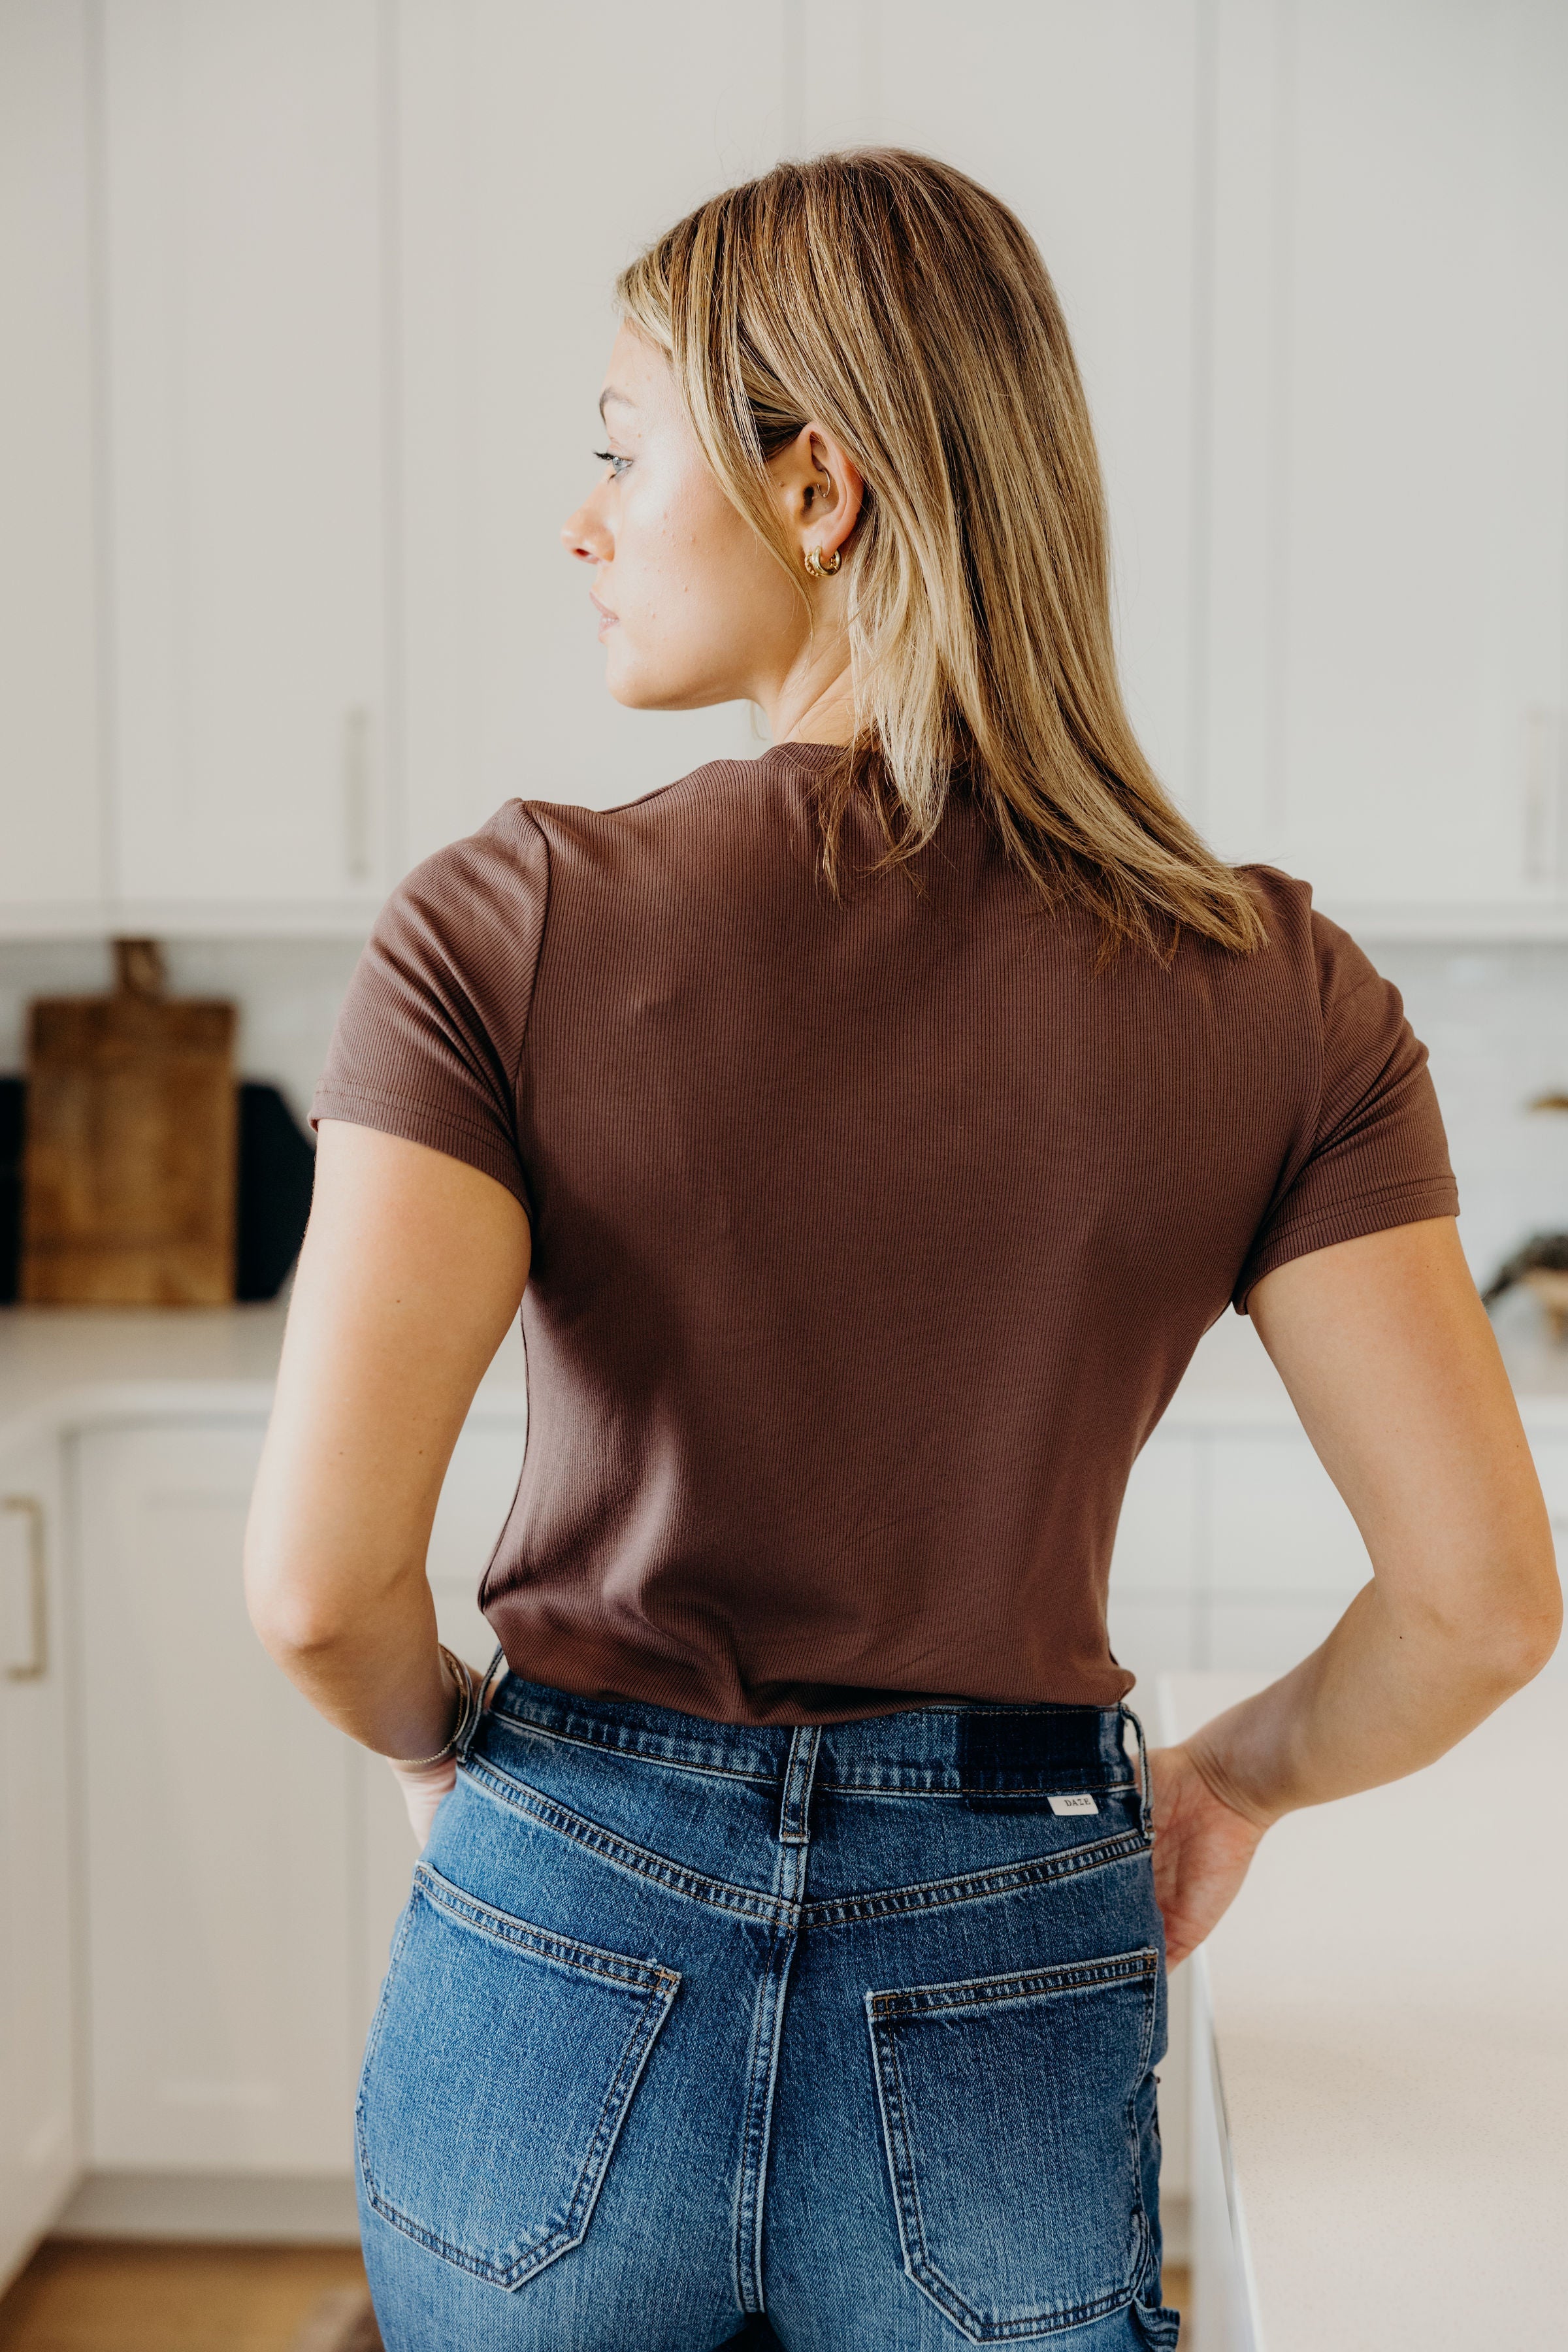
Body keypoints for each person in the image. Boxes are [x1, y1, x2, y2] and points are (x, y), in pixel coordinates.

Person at [243, 150, 1560, 2352]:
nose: (580, 521)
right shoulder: (1282, 996)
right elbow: (1483, 1603)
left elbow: (314, 1590)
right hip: (1013, 1923)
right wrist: (1234, 1778)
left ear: (819, 487)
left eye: (620, 448)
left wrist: (448, 1767)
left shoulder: (505, 925)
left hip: (566, 1897)